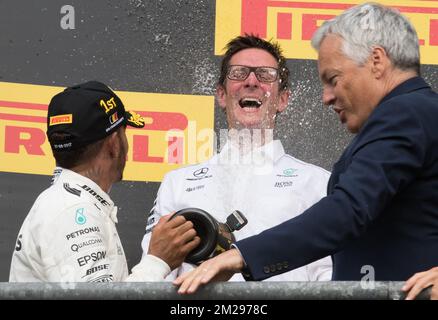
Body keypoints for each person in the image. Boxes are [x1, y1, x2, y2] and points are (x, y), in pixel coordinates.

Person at [174, 2, 438, 295]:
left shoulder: (406, 113)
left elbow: (348, 209)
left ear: (377, 60)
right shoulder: (417, 114)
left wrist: (242, 255)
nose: (325, 97)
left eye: (333, 79)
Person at [141, 35, 332, 282]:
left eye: (265, 74)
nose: (251, 81)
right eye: (239, 73)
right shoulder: (177, 183)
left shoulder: (316, 182)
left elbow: (328, 280)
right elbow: (155, 274)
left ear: (282, 99)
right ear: (221, 94)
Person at [9, 81, 200, 282]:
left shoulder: (67, 202)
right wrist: (157, 261)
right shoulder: (73, 211)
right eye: (124, 133)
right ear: (114, 144)